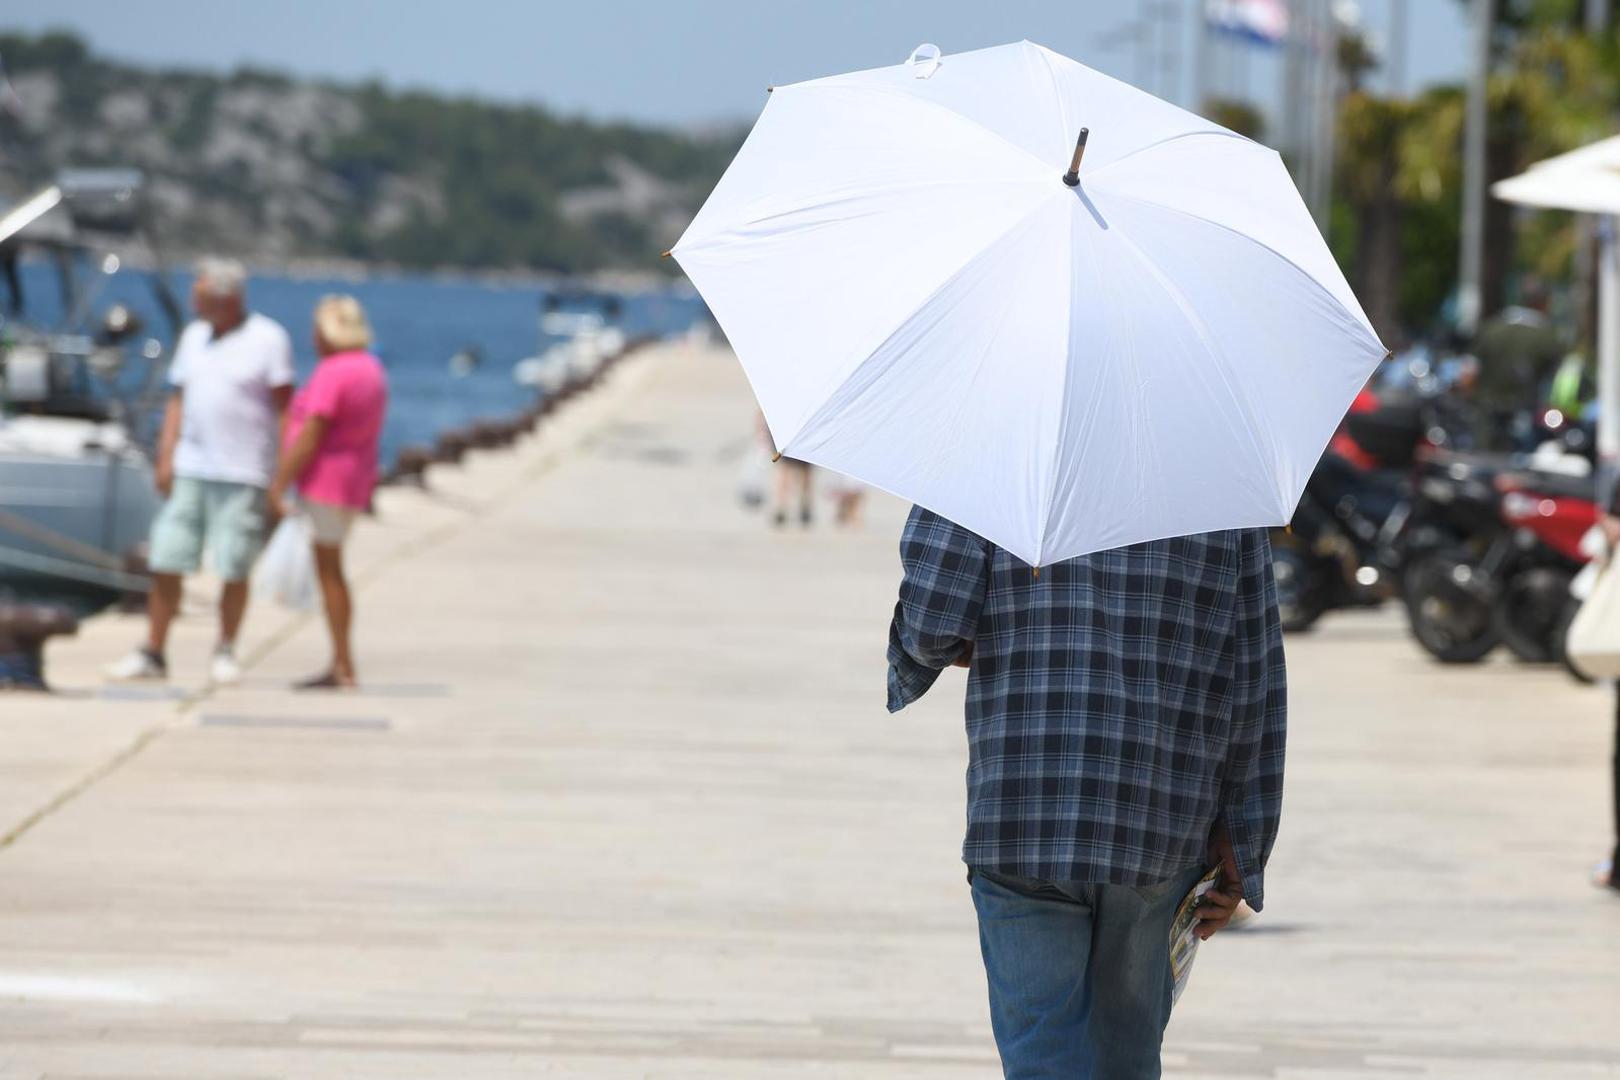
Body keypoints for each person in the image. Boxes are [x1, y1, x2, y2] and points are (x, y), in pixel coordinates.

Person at [887, 508, 1285, 1079]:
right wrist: (1247, 841)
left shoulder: (997, 446)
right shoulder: (1216, 476)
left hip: (1023, 808)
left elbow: (931, 626)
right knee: (1127, 1058)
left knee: (1043, 1059)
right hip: (1159, 817)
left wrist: (979, 632)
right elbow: (1255, 669)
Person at [108, 258, 293, 684]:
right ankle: (153, 651)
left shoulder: (269, 339)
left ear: (227, 299)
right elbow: (178, 398)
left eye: (201, 295)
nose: (193, 302)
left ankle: (225, 649)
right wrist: (165, 454)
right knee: (166, 557)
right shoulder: (193, 336)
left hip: (244, 470)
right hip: (192, 466)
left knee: (234, 564)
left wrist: (281, 475)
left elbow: (286, 409)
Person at [267, 295, 387, 690]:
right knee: (333, 568)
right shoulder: (371, 369)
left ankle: (343, 663)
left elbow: (310, 436)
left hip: (327, 483)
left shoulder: (333, 372)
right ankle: (341, 660)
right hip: (356, 479)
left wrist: (280, 481)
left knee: (330, 571)